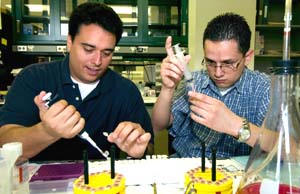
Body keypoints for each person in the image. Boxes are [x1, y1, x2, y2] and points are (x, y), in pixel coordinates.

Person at [0, 2, 154, 161]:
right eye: (88, 49)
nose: (97, 61)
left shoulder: (125, 91)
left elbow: (149, 148)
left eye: (107, 53)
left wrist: (140, 149)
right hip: (39, 183)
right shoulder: (33, 78)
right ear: (69, 42)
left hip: (99, 182)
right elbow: (4, 142)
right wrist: (47, 131)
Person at [152, 13, 270, 158]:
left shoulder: (263, 87)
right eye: (210, 62)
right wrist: (167, 89)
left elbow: (287, 148)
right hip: (189, 164)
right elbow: (158, 125)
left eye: (228, 63)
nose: (218, 73)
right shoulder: (195, 81)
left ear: (247, 57)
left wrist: (235, 125)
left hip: (236, 171)